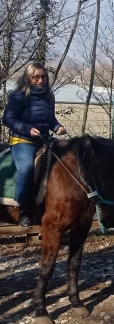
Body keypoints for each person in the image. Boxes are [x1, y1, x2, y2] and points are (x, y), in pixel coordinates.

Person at [2, 62, 67, 227]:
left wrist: (57, 126)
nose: (40, 80)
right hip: (22, 141)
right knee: (27, 168)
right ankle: (24, 209)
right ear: (28, 78)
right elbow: (8, 119)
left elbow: (50, 119)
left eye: (43, 76)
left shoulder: (48, 96)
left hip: (44, 140)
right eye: (36, 77)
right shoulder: (19, 96)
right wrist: (28, 129)